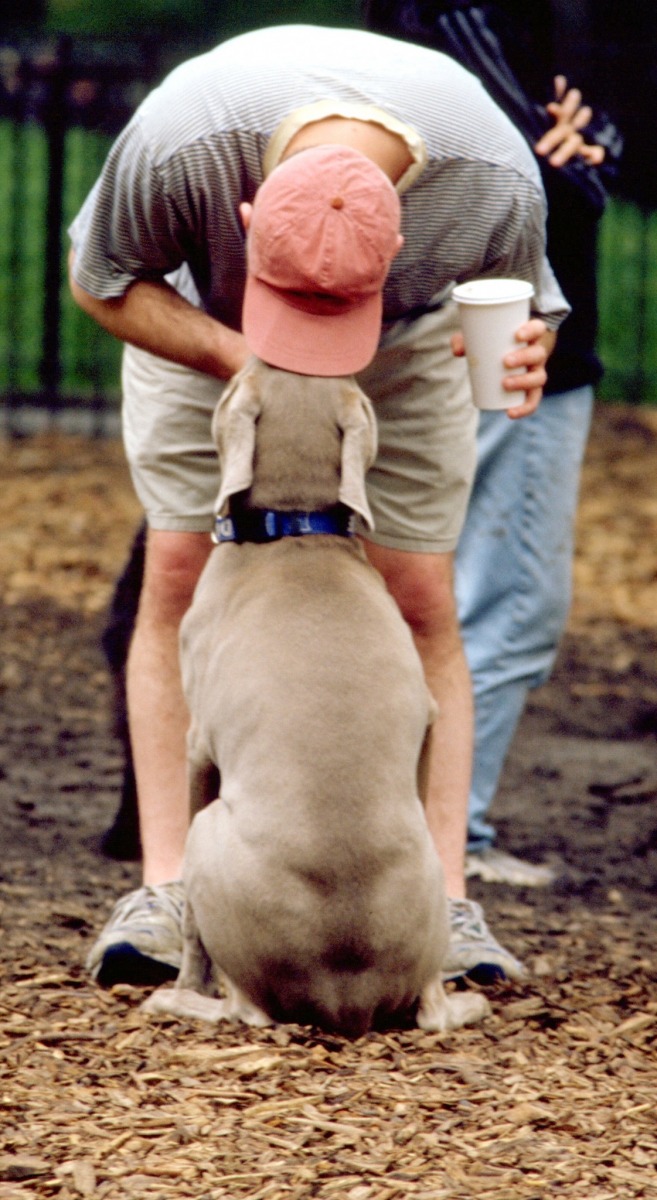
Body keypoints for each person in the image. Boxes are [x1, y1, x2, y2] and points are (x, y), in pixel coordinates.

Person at [68, 23, 567, 988]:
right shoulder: (184, 137)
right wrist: (235, 357)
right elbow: (99, 281)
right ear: (248, 214)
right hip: (203, 318)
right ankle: (169, 891)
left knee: (420, 594)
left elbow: (525, 306)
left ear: (408, 237)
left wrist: (525, 347)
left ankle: (443, 901)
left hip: (407, 339)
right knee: (178, 571)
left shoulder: (494, 175)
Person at [363, 0, 622, 887]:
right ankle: (442, 837)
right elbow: (522, 173)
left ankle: (401, 822)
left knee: (437, 586)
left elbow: (581, 142)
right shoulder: (454, 15)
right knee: (507, 602)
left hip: (452, 326)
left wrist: (592, 145)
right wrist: (580, 165)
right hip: (506, 336)